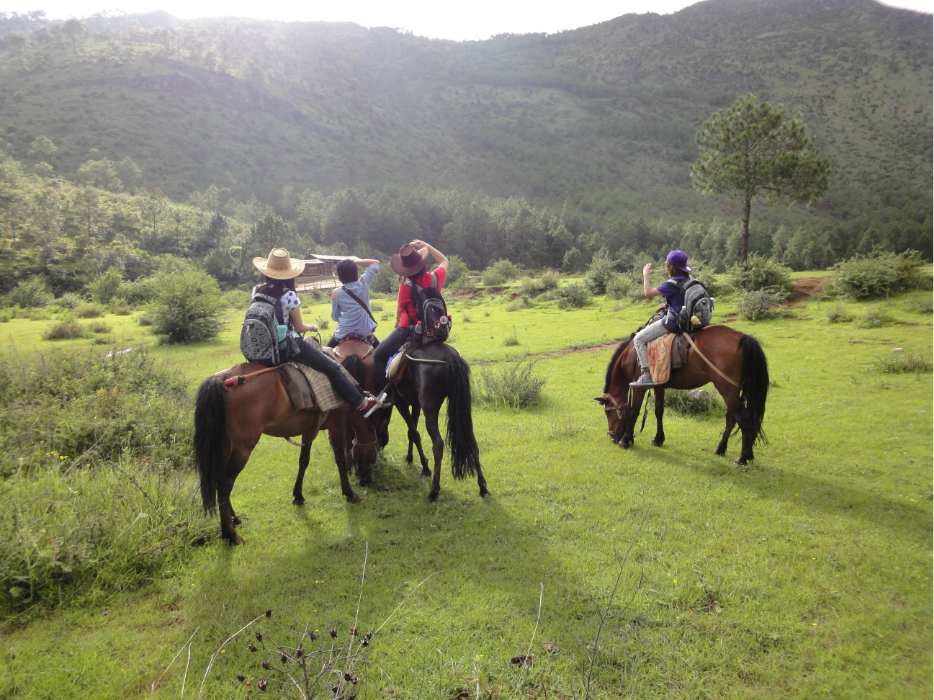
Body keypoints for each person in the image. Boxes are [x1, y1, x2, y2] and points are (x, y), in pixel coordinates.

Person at [251, 248, 380, 415]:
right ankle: (364, 402)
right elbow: (299, 328)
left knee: (330, 350)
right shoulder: (289, 295)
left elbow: (334, 316)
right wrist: (312, 327)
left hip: (260, 345)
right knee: (334, 366)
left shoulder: (256, 290)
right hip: (290, 344)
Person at [373, 239, 448, 387]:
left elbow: (401, 309)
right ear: (422, 263)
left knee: (378, 356)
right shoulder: (435, 277)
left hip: (409, 330)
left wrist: (396, 322)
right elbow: (444, 260)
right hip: (432, 329)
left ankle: (386, 396)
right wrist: (428, 247)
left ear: (405, 270)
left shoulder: (405, 287)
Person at [630, 250, 693, 388]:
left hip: (673, 322)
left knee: (638, 339)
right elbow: (682, 298)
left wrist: (645, 275)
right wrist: (666, 305)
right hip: (690, 318)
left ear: (670, 267)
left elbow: (648, 293)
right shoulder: (690, 280)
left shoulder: (672, 283)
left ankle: (646, 374)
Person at [327, 257, 381, 348]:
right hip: (365, 333)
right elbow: (376, 263)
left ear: (339, 275)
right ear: (355, 271)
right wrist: (356, 262)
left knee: (326, 354)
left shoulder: (336, 292)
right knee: (383, 357)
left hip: (343, 333)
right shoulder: (363, 284)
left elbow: (335, 317)